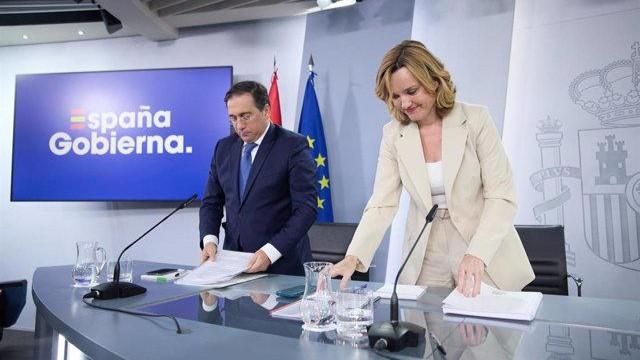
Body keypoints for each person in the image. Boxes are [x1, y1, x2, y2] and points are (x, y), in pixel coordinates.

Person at [331, 40, 534, 296]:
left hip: (481, 242)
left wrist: (477, 254)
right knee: (426, 331)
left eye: (411, 91)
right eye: (395, 96)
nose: (404, 103)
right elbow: (382, 202)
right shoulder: (393, 134)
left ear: (434, 82)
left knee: (484, 332)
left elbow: (501, 197)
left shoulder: (475, 120)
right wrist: (354, 256)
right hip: (426, 249)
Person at [199, 81, 317, 275]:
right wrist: (209, 240)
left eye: (246, 116)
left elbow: (306, 209)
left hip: (282, 267)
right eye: (233, 118)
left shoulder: (292, 146)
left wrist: (269, 252)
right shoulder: (223, 148)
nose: (239, 125)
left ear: (266, 111)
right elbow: (212, 201)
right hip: (234, 266)